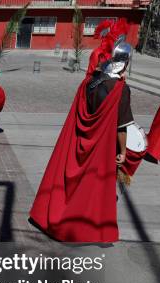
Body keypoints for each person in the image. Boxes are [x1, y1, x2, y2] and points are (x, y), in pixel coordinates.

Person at [30, 38, 134, 243]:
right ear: (125, 63)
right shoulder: (120, 89)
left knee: (72, 184)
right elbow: (121, 127)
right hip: (101, 147)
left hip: (80, 139)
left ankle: (55, 216)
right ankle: (80, 227)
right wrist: (123, 151)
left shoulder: (89, 82)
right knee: (91, 188)